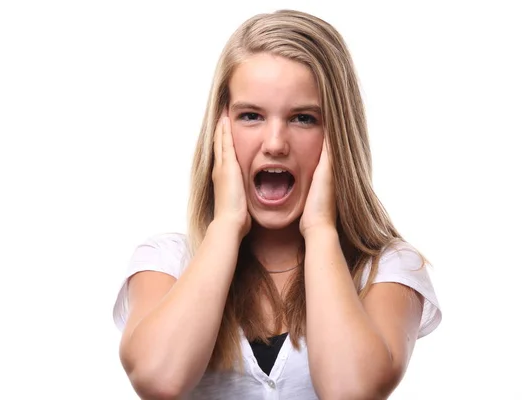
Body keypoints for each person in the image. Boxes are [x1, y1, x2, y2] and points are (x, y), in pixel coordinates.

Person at [113, 9, 442, 400]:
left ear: (339, 135)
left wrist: (320, 229)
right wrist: (226, 226)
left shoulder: (387, 270)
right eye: (250, 116)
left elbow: (350, 391)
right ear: (221, 129)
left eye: (303, 118)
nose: (274, 143)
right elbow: (157, 379)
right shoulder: (166, 262)